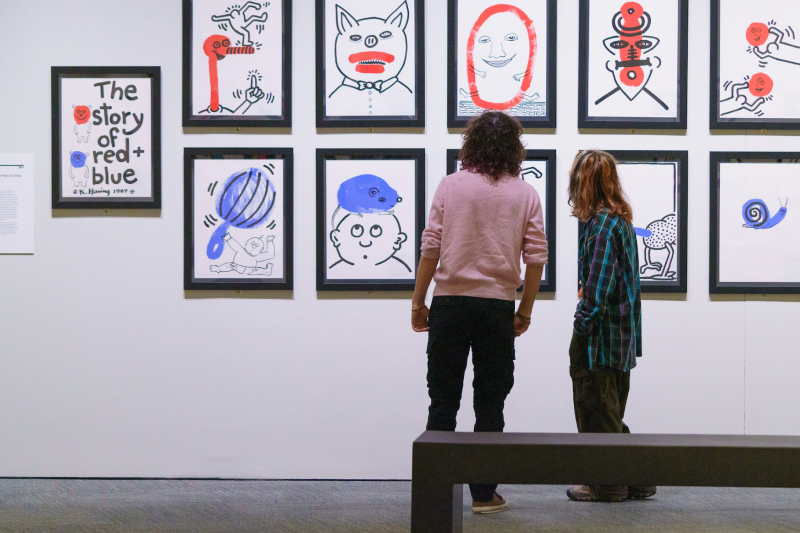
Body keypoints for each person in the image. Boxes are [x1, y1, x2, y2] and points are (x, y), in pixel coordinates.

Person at [410, 111, 548, 514]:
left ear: (470, 145)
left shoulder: (450, 186)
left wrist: (419, 301)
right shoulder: (525, 193)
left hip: (450, 304)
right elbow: (536, 257)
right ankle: (484, 495)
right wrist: (525, 310)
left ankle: (437, 494)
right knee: (490, 403)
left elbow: (430, 248)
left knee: (442, 399)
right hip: (497, 308)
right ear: (514, 148)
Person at [565, 150, 656, 502]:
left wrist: (580, 327)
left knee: (596, 412)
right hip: (621, 340)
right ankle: (637, 479)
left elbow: (597, 293)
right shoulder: (620, 222)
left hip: (599, 341)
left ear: (583, 183)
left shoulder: (602, 225)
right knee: (611, 411)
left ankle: (607, 484)